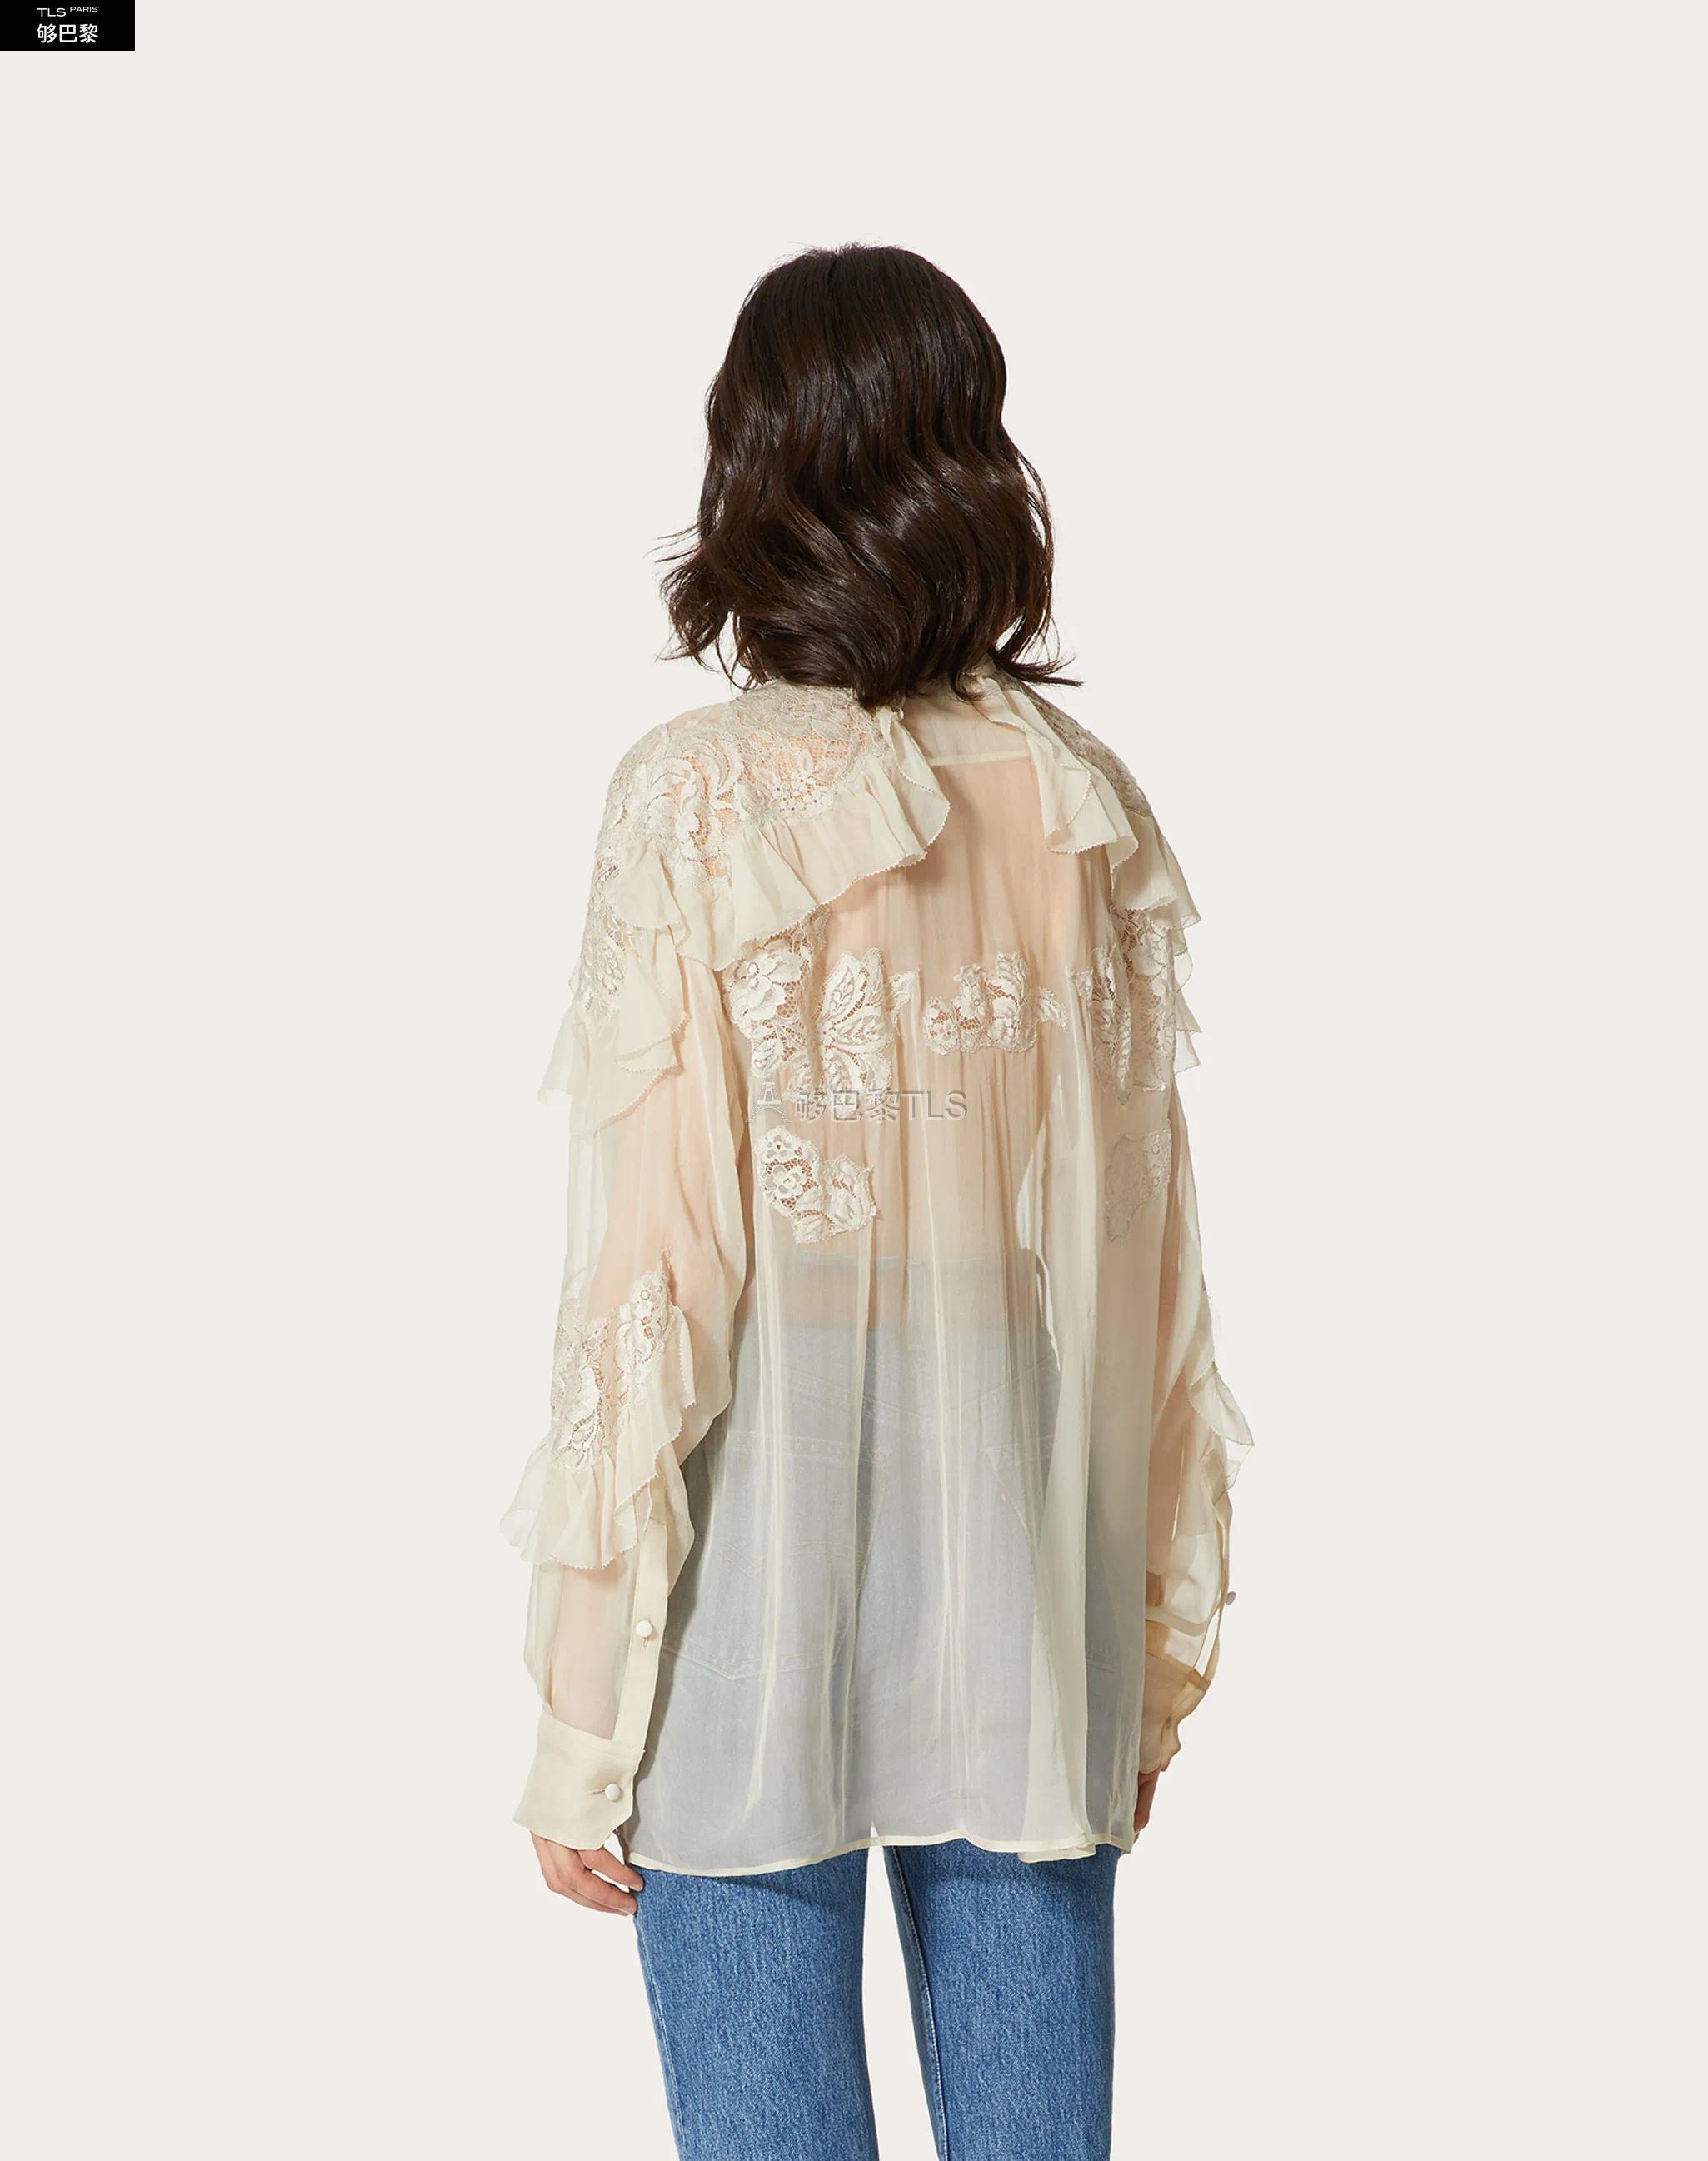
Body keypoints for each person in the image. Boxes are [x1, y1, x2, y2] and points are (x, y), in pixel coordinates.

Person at [502, 243, 1251, 2161]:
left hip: (748, 1598)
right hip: (1024, 1601)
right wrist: (1142, 1661)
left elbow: (650, 1284)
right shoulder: (1076, 797)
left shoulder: (695, 796)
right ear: (974, 462)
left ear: (749, 469)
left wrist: (583, 1713)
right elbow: (1149, 1279)